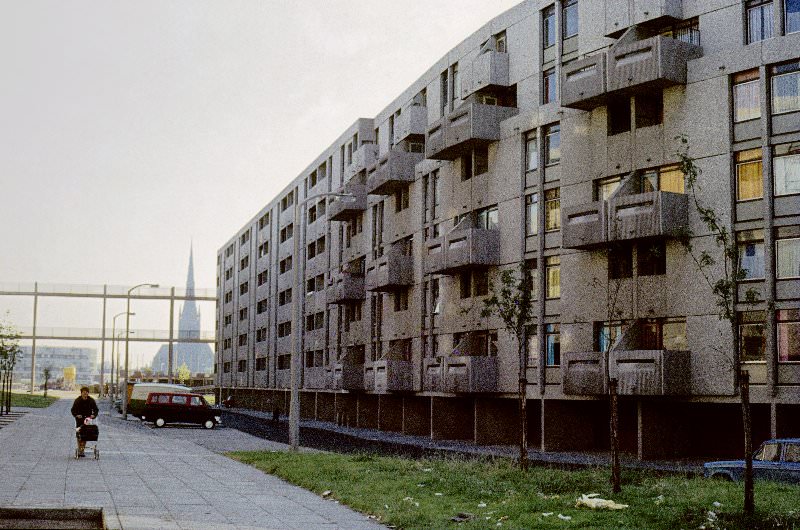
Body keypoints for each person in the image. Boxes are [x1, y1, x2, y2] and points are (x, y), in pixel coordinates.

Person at [71, 386, 98, 457]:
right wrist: (76, 415)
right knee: (79, 434)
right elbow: (73, 410)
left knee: (85, 434)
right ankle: (80, 448)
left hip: (87, 419)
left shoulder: (91, 400)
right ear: (81, 393)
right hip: (79, 419)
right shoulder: (77, 400)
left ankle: (82, 450)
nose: (85, 394)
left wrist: (93, 415)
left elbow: (96, 410)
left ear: (88, 393)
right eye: (83, 393)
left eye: (86, 393)